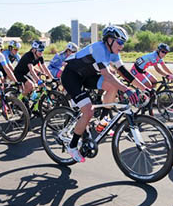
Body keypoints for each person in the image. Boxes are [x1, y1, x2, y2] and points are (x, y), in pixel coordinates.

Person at [61, 25, 147, 162]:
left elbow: (124, 72)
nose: (122, 46)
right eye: (120, 42)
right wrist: (127, 90)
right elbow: (106, 74)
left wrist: (144, 88)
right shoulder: (99, 48)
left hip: (87, 76)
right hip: (72, 76)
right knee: (88, 111)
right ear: (109, 40)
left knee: (113, 86)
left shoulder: (114, 52)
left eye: (123, 43)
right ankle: (72, 146)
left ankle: (102, 121)